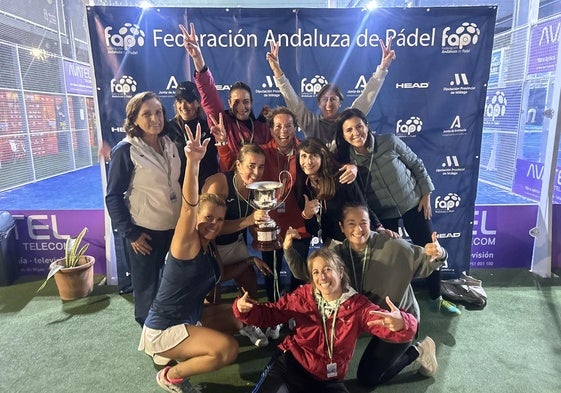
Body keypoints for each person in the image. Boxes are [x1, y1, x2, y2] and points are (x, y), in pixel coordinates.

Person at [284, 203, 448, 388]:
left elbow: (426, 263)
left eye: (363, 222)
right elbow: (306, 273)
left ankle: (419, 351)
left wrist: (440, 253)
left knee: (368, 378)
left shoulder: (394, 247)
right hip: (367, 318)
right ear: (342, 227)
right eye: (351, 224)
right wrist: (288, 249)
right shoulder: (335, 253)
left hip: (397, 320)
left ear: (370, 223)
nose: (358, 229)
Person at [138, 122, 240, 393]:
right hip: (164, 328)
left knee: (239, 317)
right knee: (228, 350)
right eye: (208, 218)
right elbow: (188, 207)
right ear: (197, 218)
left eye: (219, 220)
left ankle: (180, 352)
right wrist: (193, 162)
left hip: (189, 319)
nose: (213, 224)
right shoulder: (187, 242)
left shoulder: (209, 246)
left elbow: (213, 278)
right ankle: (172, 375)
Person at [233, 247, 417, 393]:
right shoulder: (303, 296)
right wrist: (244, 310)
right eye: (316, 272)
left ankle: (417, 353)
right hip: (291, 366)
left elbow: (393, 327)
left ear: (340, 271)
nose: (322, 277)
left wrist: (403, 323)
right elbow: (270, 314)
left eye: (327, 269)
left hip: (329, 380)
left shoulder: (358, 307)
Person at [335, 108, 461, 316]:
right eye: (348, 130)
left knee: (428, 248)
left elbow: (416, 164)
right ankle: (398, 305)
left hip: (412, 203)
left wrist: (426, 193)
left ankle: (437, 298)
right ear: (344, 136)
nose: (355, 133)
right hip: (383, 214)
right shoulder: (348, 161)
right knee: (393, 260)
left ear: (367, 126)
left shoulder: (389, 141)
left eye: (359, 126)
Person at [105, 91, 181, 327]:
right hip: (145, 233)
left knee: (174, 284)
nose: (154, 119)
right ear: (134, 118)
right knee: (147, 289)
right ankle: (150, 335)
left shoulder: (170, 143)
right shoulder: (126, 150)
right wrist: (132, 234)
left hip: (175, 230)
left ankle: (172, 328)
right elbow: (113, 197)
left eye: (158, 112)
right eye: (146, 114)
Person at [201, 141, 274, 348]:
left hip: (235, 242)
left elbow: (250, 224)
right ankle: (209, 335)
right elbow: (209, 228)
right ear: (238, 165)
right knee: (212, 294)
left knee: (249, 283)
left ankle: (248, 322)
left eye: (260, 167)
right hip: (209, 246)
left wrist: (263, 234)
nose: (256, 172)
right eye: (251, 165)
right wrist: (251, 220)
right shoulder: (219, 184)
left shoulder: (255, 189)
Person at [265, 38, 395, 149]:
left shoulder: (348, 119)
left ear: (340, 103)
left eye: (333, 99)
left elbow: (367, 97)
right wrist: (277, 70)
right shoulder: (311, 123)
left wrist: (382, 68)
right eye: (324, 99)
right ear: (319, 104)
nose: (329, 104)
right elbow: (292, 100)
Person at [180, 23, 271, 171]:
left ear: (252, 103)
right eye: (236, 102)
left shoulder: (260, 127)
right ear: (229, 102)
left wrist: (263, 121)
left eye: (246, 102)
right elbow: (208, 92)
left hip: (258, 182)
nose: (241, 107)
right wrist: (197, 58)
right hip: (231, 183)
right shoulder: (222, 122)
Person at [294, 137, 392, 246]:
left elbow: (362, 206)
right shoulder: (301, 188)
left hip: (357, 238)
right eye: (304, 156)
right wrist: (306, 215)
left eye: (314, 155)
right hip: (332, 245)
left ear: (322, 157)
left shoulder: (342, 177)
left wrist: (379, 228)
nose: (308, 161)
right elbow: (314, 231)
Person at [166, 80, 219, 188]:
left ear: (198, 102)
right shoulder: (168, 128)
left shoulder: (209, 126)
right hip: (180, 190)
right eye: (179, 101)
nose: (183, 106)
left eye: (188, 101)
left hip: (207, 189)